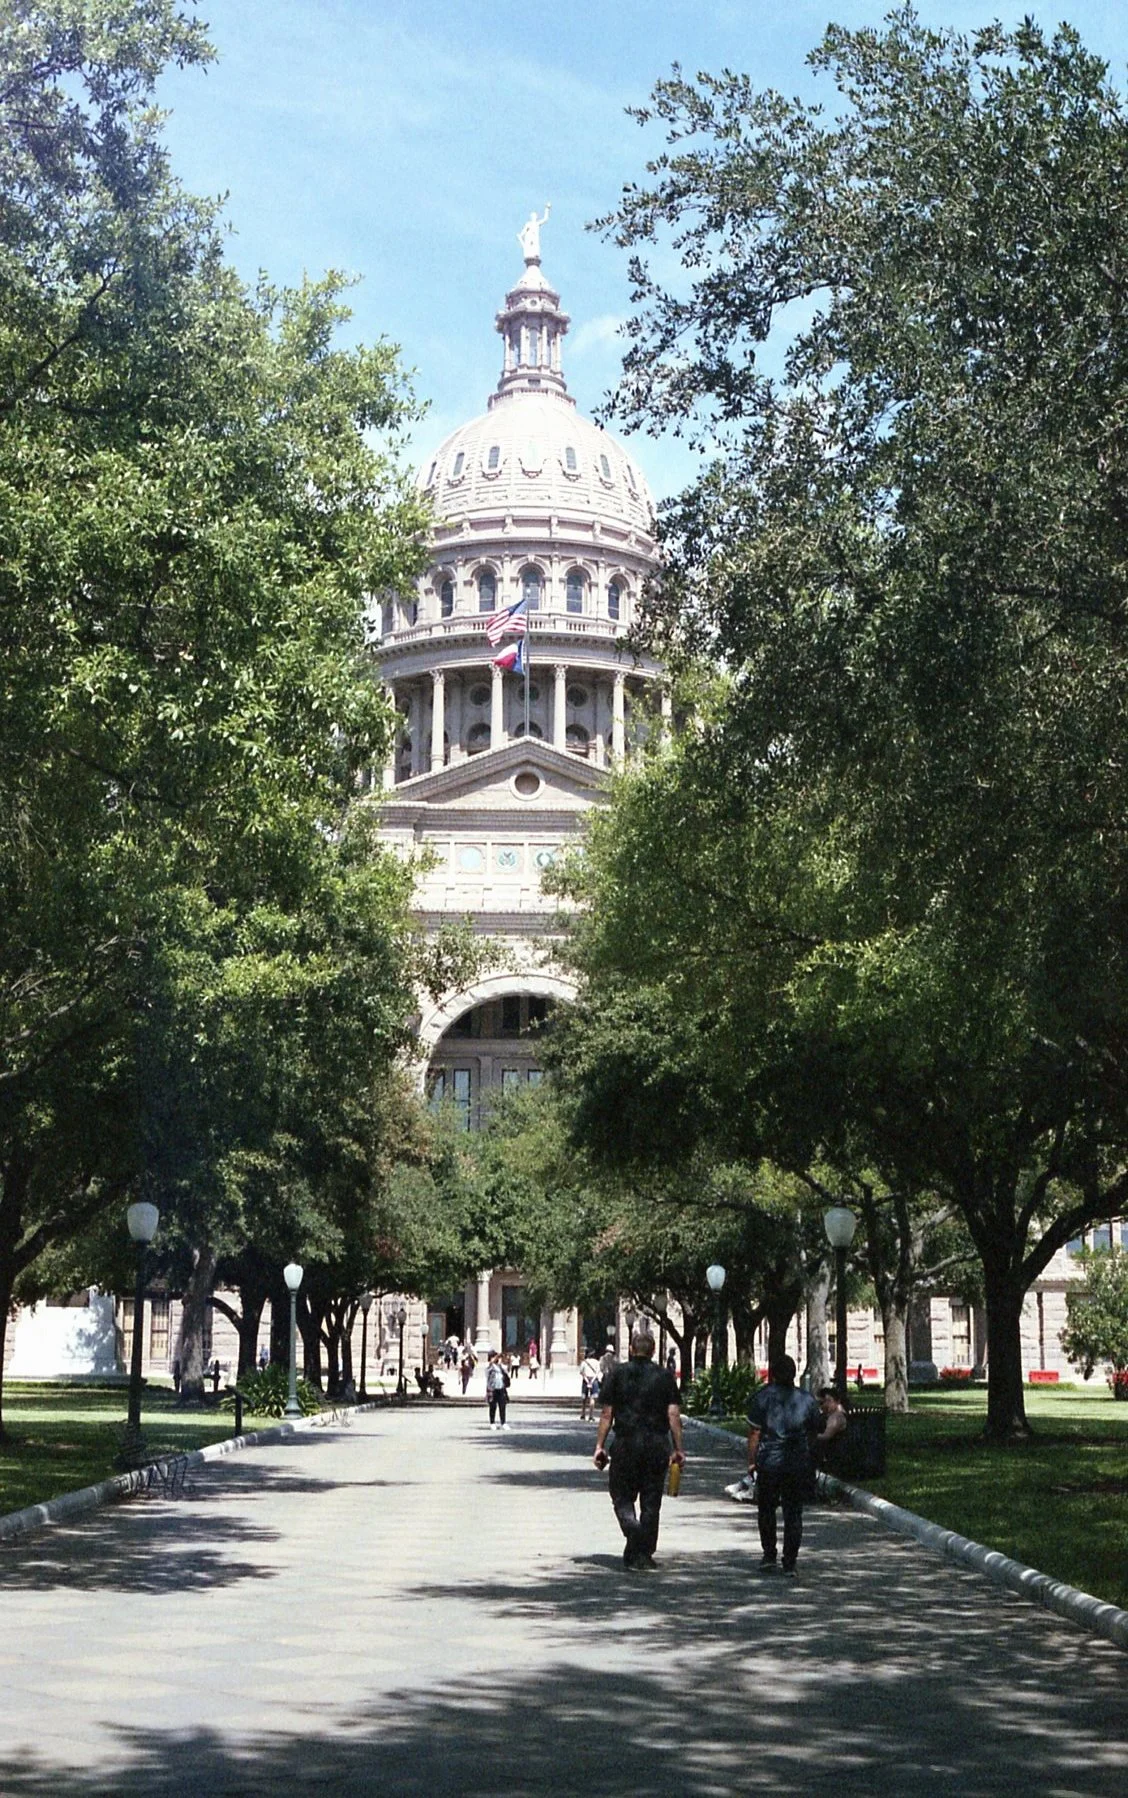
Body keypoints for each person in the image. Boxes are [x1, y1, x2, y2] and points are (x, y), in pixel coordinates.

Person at [593, 1323, 684, 1570]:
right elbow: (673, 1414)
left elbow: (606, 1414)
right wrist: (678, 1448)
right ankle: (643, 1553)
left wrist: (600, 1445)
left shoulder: (618, 1374)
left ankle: (634, 1533)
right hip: (657, 1444)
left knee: (621, 1496)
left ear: (632, 1350)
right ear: (653, 1352)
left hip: (626, 1443)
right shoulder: (665, 1377)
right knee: (651, 1500)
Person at [746, 1354, 822, 1575]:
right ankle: (790, 1562)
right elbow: (814, 1431)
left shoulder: (762, 1397)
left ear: (773, 1374)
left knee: (767, 1509)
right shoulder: (807, 1400)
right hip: (797, 1463)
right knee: (793, 1512)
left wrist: (751, 1462)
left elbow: (754, 1432)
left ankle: (769, 1555)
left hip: (769, 1462)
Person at [485, 1350, 510, 1429]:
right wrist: (494, 1360)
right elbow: (487, 1370)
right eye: (494, 1357)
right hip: (492, 1389)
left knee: (502, 1406)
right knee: (493, 1406)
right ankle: (492, 1422)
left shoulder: (500, 1366)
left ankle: (503, 1422)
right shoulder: (489, 1366)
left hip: (501, 1388)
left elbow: (506, 1371)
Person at [579, 1352, 600, 1421]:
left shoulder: (584, 1362)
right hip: (594, 1380)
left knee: (584, 1398)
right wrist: (592, 1380)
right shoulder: (597, 1362)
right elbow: (597, 1372)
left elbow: (581, 1372)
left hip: (586, 1380)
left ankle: (583, 1414)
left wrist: (587, 1381)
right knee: (592, 1398)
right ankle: (591, 1415)